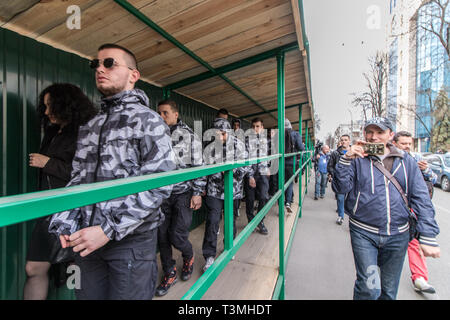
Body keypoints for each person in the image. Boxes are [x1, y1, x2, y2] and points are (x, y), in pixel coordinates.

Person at [48, 43, 176, 300]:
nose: (100, 69)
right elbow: (78, 177)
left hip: (129, 243)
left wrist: (107, 230)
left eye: (110, 63)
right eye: (96, 64)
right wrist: (65, 219)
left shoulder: (149, 121)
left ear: (133, 75)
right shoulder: (91, 125)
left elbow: (160, 184)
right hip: (86, 241)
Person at [333, 117, 440, 300]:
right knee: (370, 289)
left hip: (398, 236)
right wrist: (346, 160)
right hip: (364, 233)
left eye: (380, 132)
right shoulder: (357, 159)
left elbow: (421, 197)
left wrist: (428, 234)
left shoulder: (407, 161)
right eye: (370, 132)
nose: (373, 137)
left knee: (388, 292)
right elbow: (341, 189)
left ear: (391, 135)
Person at [24, 83, 97, 300]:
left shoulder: (87, 132)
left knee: (73, 271)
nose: (46, 112)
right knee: (33, 269)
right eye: (44, 107)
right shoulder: (54, 130)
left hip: (73, 214)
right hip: (48, 210)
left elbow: (89, 174)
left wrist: (48, 163)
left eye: (51, 106)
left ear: (66, 105)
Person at [155, 100, 206, 296]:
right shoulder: (156, 135)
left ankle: (189, 256)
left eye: (165, 113)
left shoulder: (190, 136)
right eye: (159, 113)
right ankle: (169, 272)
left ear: (176, 114)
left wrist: (196, 193)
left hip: (183, 193)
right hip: (161, 194)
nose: (161, 117)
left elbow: (199, 166)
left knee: (177, 235)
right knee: (162, 236)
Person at [202, 118, 252, 272]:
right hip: (214, 191)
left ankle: (229, 247)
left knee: (231, 221)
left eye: (222, 133)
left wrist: (230, 172)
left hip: (233, 190)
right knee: (212, 221)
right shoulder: (210, 148)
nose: (219, 136)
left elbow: (246, 165)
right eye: (217, 133)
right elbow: (203, 168)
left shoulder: (239, 145)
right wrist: (201, 187)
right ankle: (209, 255)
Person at [393, 131, 437, 294]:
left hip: (414, 209)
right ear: (395, 143)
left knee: (415, 242)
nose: (407, 146)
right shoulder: (390, 160)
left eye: (409, 143)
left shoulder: (417, 160)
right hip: (395, 209)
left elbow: (432, 179)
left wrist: (425, 171)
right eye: (403, 143)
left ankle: (419, 278)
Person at [244, 118, 269, 235]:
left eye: (258, 126)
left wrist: (268, 166)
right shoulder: (247, 141)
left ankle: (260, 221)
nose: (255, 129)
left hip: (263, 173)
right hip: (251, 173)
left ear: (262, 127)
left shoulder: (267, 141)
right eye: (253, 126)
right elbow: (245, 160)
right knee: (249, 199)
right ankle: (251, 221)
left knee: (264, 197)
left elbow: (269, 156)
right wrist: (250, 176)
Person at [327, 135, 351, 225]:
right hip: (340, 180)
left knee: (350, 199)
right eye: (342, 140)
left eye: (346, 140)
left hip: (351, 180)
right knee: (340, 198)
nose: (344, 141)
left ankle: (351, 219)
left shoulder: (354, 152)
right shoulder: (335, 153)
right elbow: (330, 166)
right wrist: (335, 174)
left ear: (349, 141)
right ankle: (341, 216)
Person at [284, 119, 304, 213]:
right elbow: (301, 147)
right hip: (292, 162)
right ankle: (288, 201)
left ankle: (286, 200)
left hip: (280, 163)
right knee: (290, 182)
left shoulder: (279, 134)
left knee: (283, 183)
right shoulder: (296, 134)